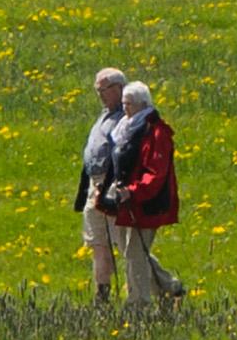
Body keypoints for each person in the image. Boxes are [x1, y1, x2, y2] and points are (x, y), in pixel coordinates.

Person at [102, 80, 185, 309]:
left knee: (135, 252)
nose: (125, 108)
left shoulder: (157, 133)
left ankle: (139, 303)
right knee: (133, 251)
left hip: (148, 203)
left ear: (142, 104)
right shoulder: (126, 129)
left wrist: (133, 191)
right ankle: (168, 288)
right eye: (124, 103)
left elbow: (155, 174)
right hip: (128, 201)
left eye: (129, 104)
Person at [71, 68, 131, 304]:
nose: (100, 95)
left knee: (123, 242)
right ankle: (102, 295)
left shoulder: (126, 118)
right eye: (97, 90)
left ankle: (141, 290)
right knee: (97, 242)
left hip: (112, 184)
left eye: (104, 90)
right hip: (93, 186)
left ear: (118, 88)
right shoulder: (103, 116)